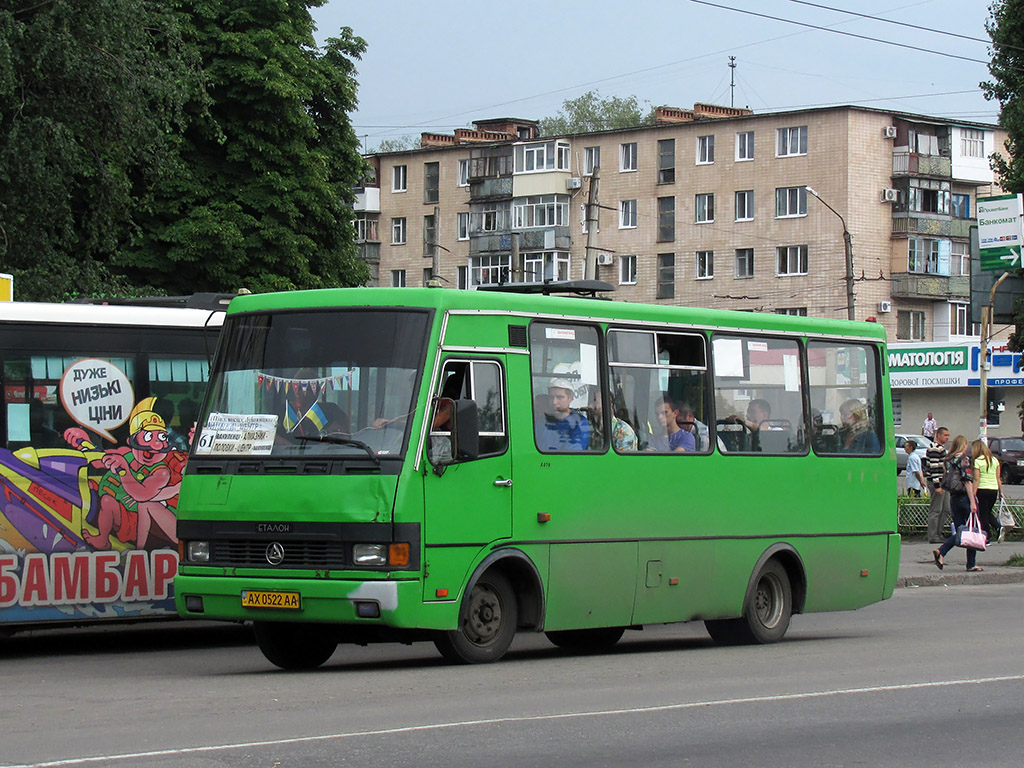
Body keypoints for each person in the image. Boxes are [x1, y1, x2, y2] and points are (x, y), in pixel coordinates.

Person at [934, 435, 981, 572]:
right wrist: (973, 500)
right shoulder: (964, 460)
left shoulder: (948, 460)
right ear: (964, 445)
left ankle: (941, 552)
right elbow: (967, 481)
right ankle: (971, 564)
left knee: (961, 530)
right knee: (971, 529)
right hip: (964, 498)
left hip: (953, 498)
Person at [537, 379, 590, 451]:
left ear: (570, 398)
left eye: (560, 397)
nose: (554, 402)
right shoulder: (541, 421)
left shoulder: (580, 422)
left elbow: (572, 451)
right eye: (551, 397)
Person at [924, 426, 952, 543]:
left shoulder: (941, 448)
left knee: (945, 509)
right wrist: (937, 485)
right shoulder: (935, 448)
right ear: (939, 435)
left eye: (948, 435)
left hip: (943, 482)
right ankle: (933, 535)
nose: (947, 437)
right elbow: (934, 467)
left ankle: (939, 533)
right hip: (937, 482)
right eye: (945, 435)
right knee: (936, 509)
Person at [971, 438, 1001, 542]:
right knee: (987, 511)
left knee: (983, 513)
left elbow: (976, 478)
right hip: (993, 489)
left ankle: (986, 535)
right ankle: (998, 527)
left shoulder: (978, 461)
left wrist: (973, 493)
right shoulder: (994, 460)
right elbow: (998, 478)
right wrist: (1001, 492)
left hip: (982, 489)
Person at [591, 386, 637, 452]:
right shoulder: (595, 430)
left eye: (595, 400)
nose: (590, 406)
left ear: (606, 404)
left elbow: (624, 461)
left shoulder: (624, 432)